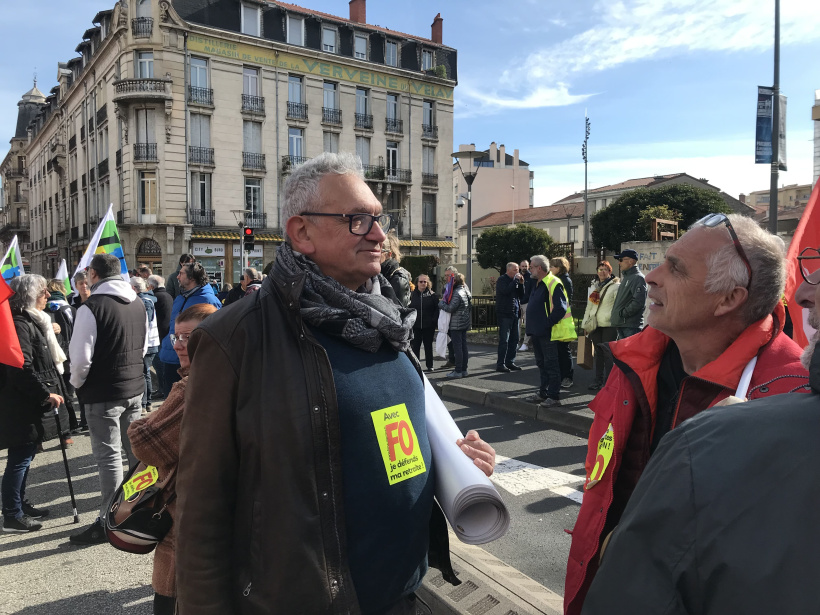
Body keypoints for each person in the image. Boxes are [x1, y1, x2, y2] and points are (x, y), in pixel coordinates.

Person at [175, 152, 496, 614]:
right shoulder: (234, 339)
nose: (380, 236)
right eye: (358, 220)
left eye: (380, 220)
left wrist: (454, 463)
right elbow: (200, 512)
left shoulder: (388, 321)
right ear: (301, 232)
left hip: (402, 596)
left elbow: (391, 437)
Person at [564, 214, 810, 615]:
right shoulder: (634, 363)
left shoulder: (791, 398)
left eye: (675, 268)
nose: (650, 276)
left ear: (728, 298)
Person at [128, 303, 218, 615]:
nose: (179, 345)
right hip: (221, 512)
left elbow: (145, 443)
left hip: (189, 511)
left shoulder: (194, 384)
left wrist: (143, 421)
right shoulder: (238, 372)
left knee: (172, 593)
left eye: (188, 337)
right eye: (176, 337)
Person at [68, 253, 149, 545]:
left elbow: (79, 360)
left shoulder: (92, 307)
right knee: (136, 455)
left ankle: (109, 519)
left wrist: (77, 385)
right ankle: (139, 506)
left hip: (103, 392)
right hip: (133, 387)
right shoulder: (138, 302)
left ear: (93, 274)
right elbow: (141, 348)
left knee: (109, 457)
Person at [1, 275, 71, 533]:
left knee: (26, 454)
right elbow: (21, 368)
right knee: (20, 457)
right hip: (21, 403)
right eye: (43, 292)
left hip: (26, 401)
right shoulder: (20, 323)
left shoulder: (33, 320)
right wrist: (44, 394)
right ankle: (12, 515)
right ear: (30, 295)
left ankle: (18, 504)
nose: (48, 296)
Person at [157, 262, 221, 396]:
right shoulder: (180, 298)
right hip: (170, 358)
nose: (177, 277)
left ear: (192, 278)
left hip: (192, 361)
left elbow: (216, 331)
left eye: (181, 273)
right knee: (170, 401)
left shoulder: (208, 299)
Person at [524, 255, 576, 408]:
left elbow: (560, 308)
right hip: (538, 332)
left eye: (531, 267)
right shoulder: (537, 283)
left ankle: (553, 396)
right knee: (542, 363)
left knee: (551, 364)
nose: (529, 269)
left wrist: (546, 324)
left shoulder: (552, 282)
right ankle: (543, 392)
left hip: (548, 332)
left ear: (539, 268)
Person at [45, 278, 80, 434]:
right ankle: (70, 427)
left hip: (51, 357)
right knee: (68, 393)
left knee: (55, 393)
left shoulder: (44, 309)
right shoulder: (69, 309)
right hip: (69, 356)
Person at [581, 262, 620, 391]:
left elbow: (617, 306)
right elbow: (589, 307)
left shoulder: (615, 286)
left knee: (608, 354)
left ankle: (608, 382)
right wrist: (585, 324)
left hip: (609, 325)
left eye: (605, 270)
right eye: (600, 269)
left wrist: (613, 319)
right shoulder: (594, 287)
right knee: (599, 353)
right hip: (595, 325)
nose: (602, 272)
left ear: (610, 271)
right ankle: (598, 380)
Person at [131, 276, 160, 413]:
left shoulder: (144, 301)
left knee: (143, 373)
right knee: (145, 372)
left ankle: (144, 404)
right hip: (149, 342)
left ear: (133, 288)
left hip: (147, 343)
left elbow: (145, 323)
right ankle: (147, 403)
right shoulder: (147, 299)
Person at [609, 248, 647, 340]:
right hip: (623, 325)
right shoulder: (627, 277)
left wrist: (623, 314)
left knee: (632, 353)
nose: (619, 263)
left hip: (631, 326)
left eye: (621, 260)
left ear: (630, 261)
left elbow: (638, 302)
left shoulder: (638, 278)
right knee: (623, 354)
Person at [440, 273, 472, 379]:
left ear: (455, 281)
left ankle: (458, 370)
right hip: (464, 322)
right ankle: (464, 369)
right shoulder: (465, 290)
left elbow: (450, 308)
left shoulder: (456, 292)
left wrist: (441, 304)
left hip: (456, 323)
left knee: (457, 347)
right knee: (463, 347)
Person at [495, 262, 525, 372]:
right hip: (504, 314)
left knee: (515, 339)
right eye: (515, 270)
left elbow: (522, 295)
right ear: (508, 270)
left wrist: (521, 284)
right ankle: (500, 364)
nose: (517, 272)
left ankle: (510, 362)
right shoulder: (502, 280)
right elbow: (506, 291)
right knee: (504, 340)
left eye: (518, 270)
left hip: (515, 314)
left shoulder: (516, 281)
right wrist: (516, 280)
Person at [146, 275, 172, 401]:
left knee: (158, 364)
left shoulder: (155, 298)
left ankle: (162, 389)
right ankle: (163, 388)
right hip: (166, 333)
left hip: (159, 335)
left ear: (151, 286)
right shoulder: (167, 295)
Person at [550, 257, 575, 387]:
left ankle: (567, 377)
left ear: (559, 268)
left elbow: (565, 302)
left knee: (564, 350)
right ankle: (561, 376)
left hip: (563, 322)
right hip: (559, 321)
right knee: (559, 351)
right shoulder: (560, 279)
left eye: (552, 267)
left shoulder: (564, 281)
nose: (550, 269)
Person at [409, 274, 439, 372]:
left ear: (428, 283)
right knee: (415, 347)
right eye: (421, 281)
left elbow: (437, 309)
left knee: (428, 346)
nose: (423, 283)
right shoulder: (412, 295)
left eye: (425, 282)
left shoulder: (432, 295)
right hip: (416, 326)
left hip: (428, 326)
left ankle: (430, 365)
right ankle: (415, 365)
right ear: (417, 283)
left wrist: (433, 321)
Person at [381, 231, 412, 307]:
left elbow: (399, 311)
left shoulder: (398, 279)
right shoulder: (382, 273)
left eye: (379, 251)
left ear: (389, 254)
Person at [518, 259, 534, 352]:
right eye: (522, 266)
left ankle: (525, 343)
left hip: (527, 303)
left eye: (526, 266)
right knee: (518, 324)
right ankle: (517, 341)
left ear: (528, 267)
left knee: (528, 324)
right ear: (520, 266)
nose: (524, 268)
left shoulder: (531, 277)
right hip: (518, 302)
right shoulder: (518, 276)